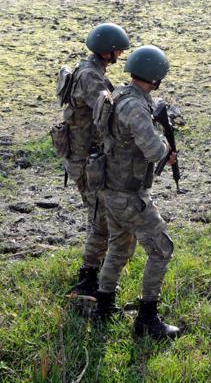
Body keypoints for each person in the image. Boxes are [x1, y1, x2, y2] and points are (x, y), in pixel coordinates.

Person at [92, 45, 181, 340]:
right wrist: (167, 147)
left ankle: (103, 307)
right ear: (157, 77)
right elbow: (154, 150)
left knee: (119, 247)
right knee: (162, 250)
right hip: (129, 194)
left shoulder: (116, 94)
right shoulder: (135, 106)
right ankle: (147, 319)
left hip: (110, 188)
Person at [57, 23, 130, 298]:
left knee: (99, 215)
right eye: (118, 51)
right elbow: (108, 112)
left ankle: (92, 271)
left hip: (80, 157)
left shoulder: (85, 69)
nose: (120, 55)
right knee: (100, 218)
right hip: (85, 160)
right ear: (107, 51)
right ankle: (87, 279)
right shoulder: (91, 78)